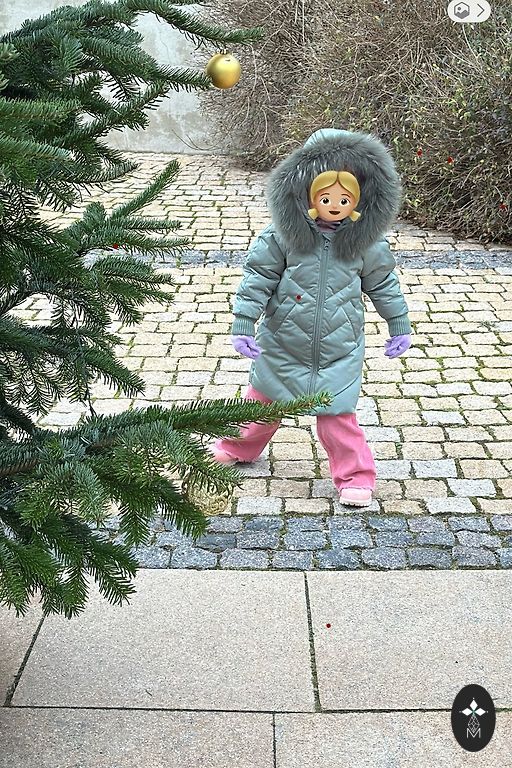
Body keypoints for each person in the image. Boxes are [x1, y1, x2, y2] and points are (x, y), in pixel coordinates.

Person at [209, 128, 412, 507]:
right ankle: (238, 446)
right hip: (282, 340)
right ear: (305, 190)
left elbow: (384, 283)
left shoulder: (366, 243)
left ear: (361, 197)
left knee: (337, 417)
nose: (334, 204)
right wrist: (243, 323)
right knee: (262, 403)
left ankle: (356, 476)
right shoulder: (281, 236)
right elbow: (257, 279)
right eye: (324, 194)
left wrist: (398, 324)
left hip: (339, 346)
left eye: (344, 196)